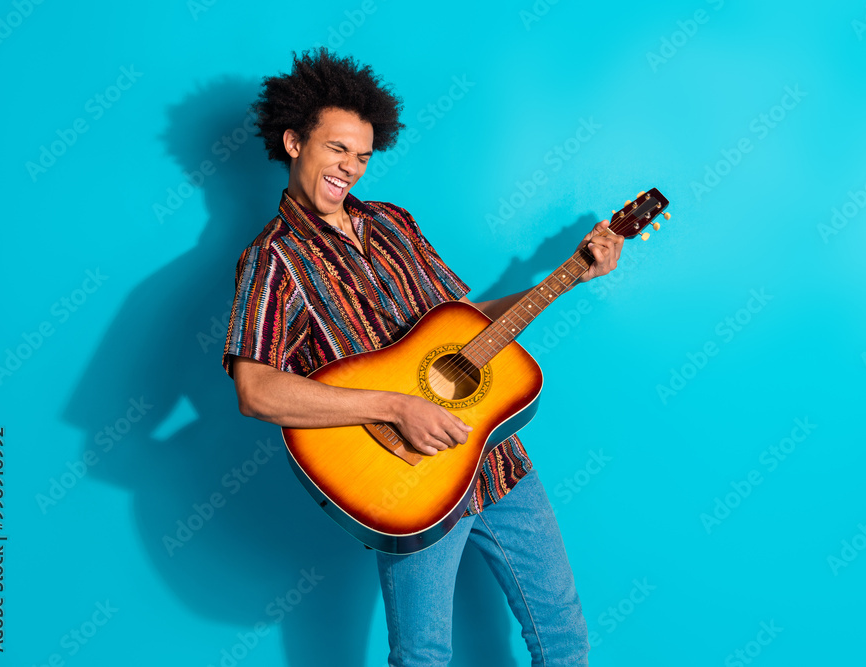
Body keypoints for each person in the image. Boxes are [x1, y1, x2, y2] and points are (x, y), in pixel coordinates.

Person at [222, 48, 623, 666]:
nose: (350, 168)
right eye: (336, 149)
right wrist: (395, 406)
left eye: (361, 154)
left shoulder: (393, 222)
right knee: (424, 656)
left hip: (497, 459)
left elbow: (466, 327)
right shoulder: (271, 260)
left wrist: (569, 275)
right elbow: (256, 391)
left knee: (564, 633)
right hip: (409, 479)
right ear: (294, 142)